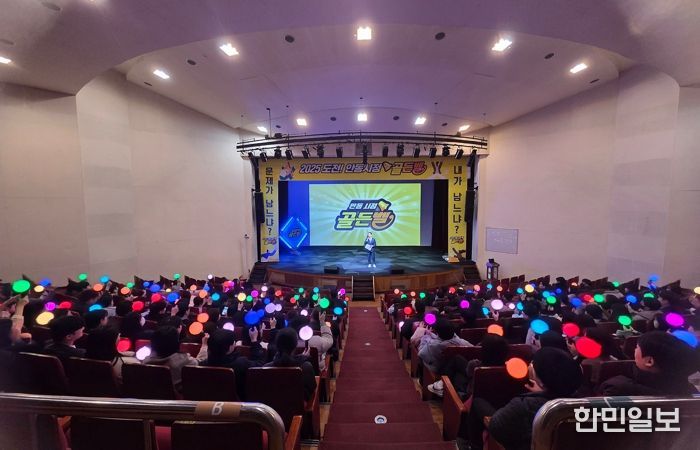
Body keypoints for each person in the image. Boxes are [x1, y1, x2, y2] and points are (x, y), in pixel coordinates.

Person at [469, 347, 583, 450]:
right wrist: (544, 392)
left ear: (541, 379)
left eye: (534, 364)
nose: (531, 365)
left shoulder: (525, 405)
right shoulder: (583, 403)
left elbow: (496, 427)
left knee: (478, 402)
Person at [598, 331, 699, 396]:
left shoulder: (616, 388)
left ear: (649, 361)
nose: (634, 350)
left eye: (637, 347)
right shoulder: (690, 390)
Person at [265, 327, 317, 400]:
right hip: (298, 406)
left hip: (272, 406)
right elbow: (312, 388)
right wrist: (303, 358)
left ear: (277, 345)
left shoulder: (266, 367)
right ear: (296, 344)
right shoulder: (305, 366)